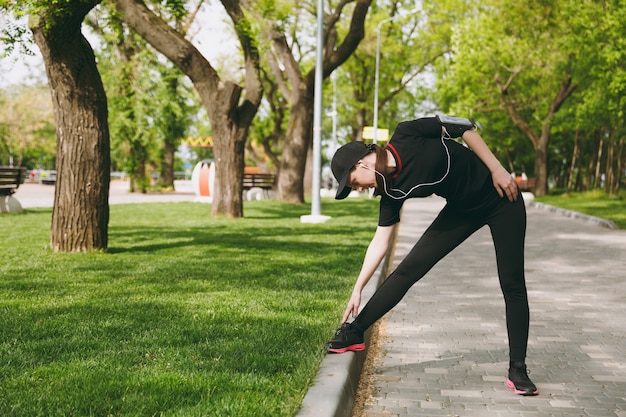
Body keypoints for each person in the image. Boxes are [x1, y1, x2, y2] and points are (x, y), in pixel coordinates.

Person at [324, 115, 538, 396]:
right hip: (461, 211)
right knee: (408, 270)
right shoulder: (390, 191)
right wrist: (357, 288)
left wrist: (498, 169)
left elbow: (466, 127)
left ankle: (518, 368)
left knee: (512, 284)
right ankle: (355, 331)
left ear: (361, 163)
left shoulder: (407, 133)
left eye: (353, 183)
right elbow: (380, 241)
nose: (358, 189)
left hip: (502, 200)